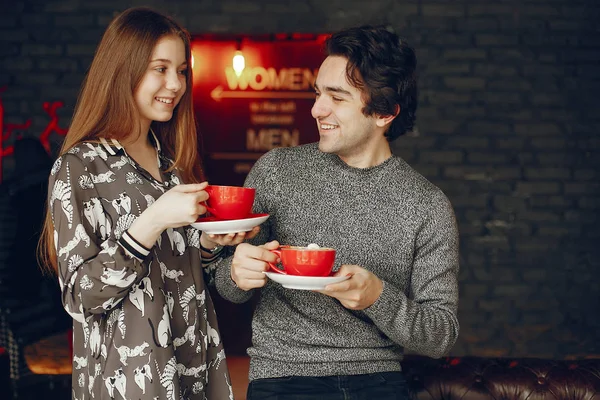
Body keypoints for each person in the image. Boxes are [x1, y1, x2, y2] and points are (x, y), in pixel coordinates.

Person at [211, 25, 460, 399]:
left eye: (337, 97)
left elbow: (441, 334)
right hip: (282, 376)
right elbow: (231, 290)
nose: (316, 109)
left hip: (377, 379)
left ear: (384, 113)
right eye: (317, 93)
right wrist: (234, 270)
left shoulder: (427, 205)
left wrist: (379, 297)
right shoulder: (276, 171)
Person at [39, 7, 253, 399]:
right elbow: (80, 297)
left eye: (182, 71)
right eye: (161, 68)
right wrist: (151, 221)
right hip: (129, 379)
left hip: (194, 366)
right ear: (124, 71)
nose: (176, 84)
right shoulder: (79, 166)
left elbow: (178, 272)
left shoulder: (172, 164)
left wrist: (208, 245)